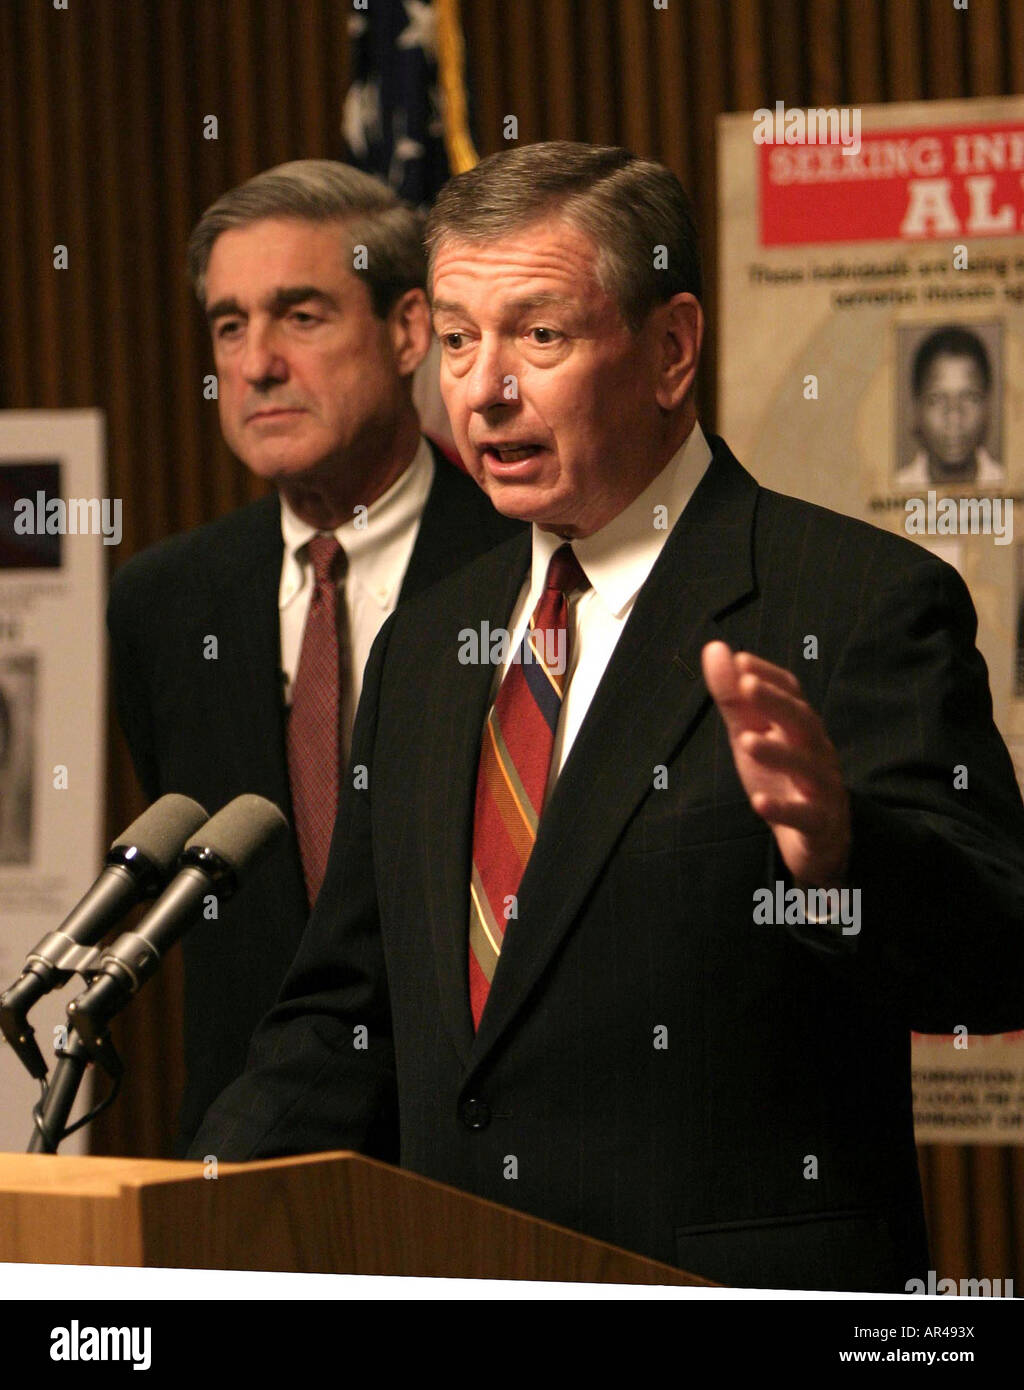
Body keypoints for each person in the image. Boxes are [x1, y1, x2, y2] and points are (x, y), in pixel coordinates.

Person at [189, 144, 1024, 1292]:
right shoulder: (431, 642)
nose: (481, 390)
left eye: (539, 335)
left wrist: (842, 853)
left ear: (671, 348)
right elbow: (347, 1011)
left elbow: (998, 959)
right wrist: (187, 1211)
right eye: (460, 339)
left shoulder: (853, 601)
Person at [107, 160, 522, 1154]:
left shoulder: (529, 570)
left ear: (409, 330)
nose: (255, 365)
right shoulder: (163, 603)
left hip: (477, 1168)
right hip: (248, 1173)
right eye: (229, 325)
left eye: (300, 316)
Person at [901, 325, 1002, 488]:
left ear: (987, 406)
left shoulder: (1014, 489)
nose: (954, 417)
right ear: (916, 409)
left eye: (970, 397)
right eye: (937, 399)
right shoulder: (882, 493)